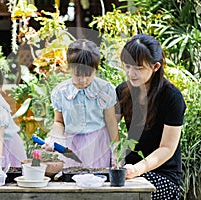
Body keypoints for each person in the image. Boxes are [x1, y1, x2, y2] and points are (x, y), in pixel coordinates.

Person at [115, 34, 186, 199]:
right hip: (129, 169)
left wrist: (138, 169)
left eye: (139, 68)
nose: (131, 73)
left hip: (163, 175)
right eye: (127, 66)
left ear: (155, 67)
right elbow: (108, 129)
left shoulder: (171, 97)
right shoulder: (122, 91)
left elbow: (167, 148)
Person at [43, 39, 119, 168]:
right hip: (72, 144)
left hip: (98, 144)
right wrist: (54, 138)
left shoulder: (104, 90)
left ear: (96, 68)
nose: (83, 80)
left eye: (88, 75)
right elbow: (59, 121)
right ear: (69, 68)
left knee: (98, 180)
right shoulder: (61, 92)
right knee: (72, 180)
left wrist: (116, 151)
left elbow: (111, 122)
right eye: (78, 74)